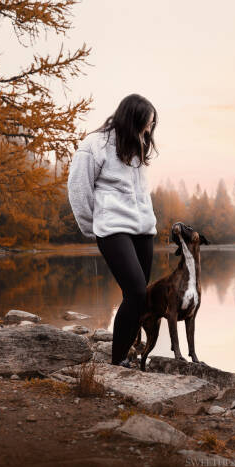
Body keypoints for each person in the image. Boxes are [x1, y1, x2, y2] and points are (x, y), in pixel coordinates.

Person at [66, 93, 159, 367]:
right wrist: (92, 227)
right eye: (146, 123)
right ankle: (117, 363)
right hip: (112, 228)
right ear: (132, 118)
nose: (149, 129)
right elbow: (79, 189)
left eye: (152, 125)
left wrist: (149, 222)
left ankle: (126, 356)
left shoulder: (138, 147)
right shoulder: (95, 144)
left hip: (143, 230)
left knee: (139, 298)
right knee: (137, 293)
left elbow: (142, 193)